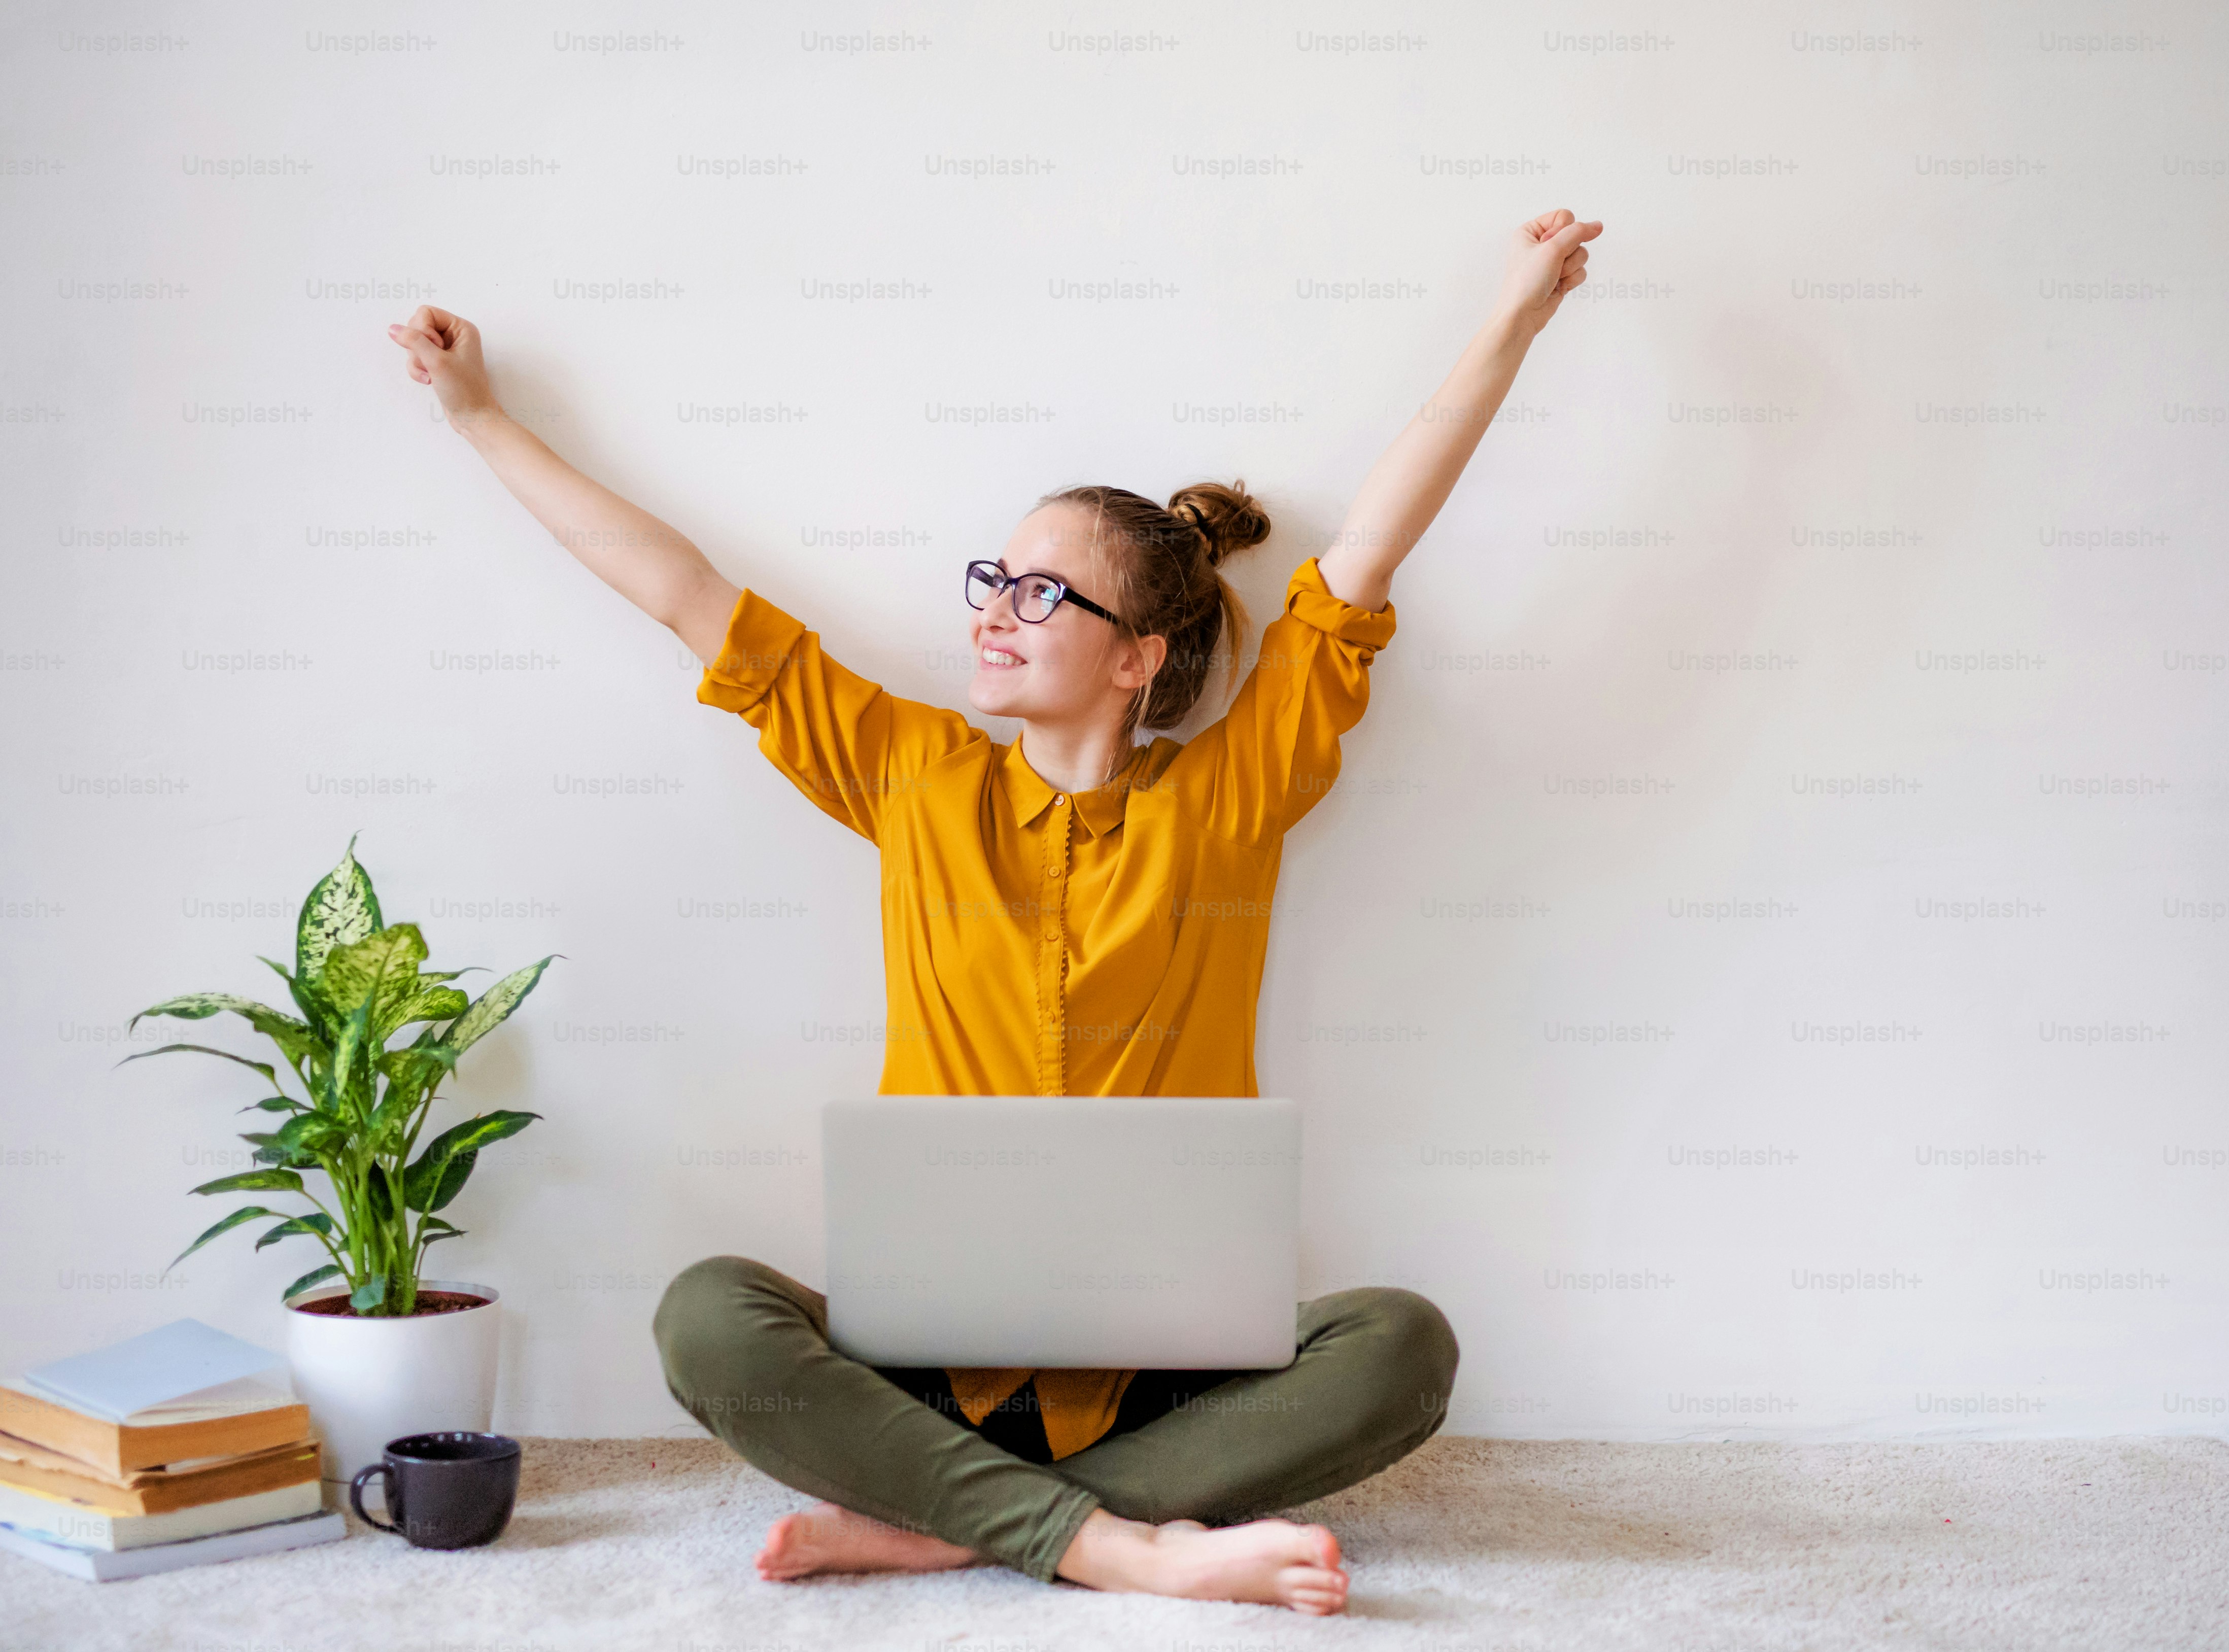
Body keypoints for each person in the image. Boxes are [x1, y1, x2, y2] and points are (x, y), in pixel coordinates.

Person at [388, 208, 1601, 1614]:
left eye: (1040, 590)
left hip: (1171, 1382)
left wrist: (1513, 318)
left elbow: (1367, 556)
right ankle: (1126, 1546)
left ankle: (957, 1527)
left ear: (1137, 656)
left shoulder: (1229, 796)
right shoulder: (909, 771)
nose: (992, 610)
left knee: (1402, 1343)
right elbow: (684, 594)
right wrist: (478, 418)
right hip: (923, 1367)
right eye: (990, 579)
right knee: (706, 1316)